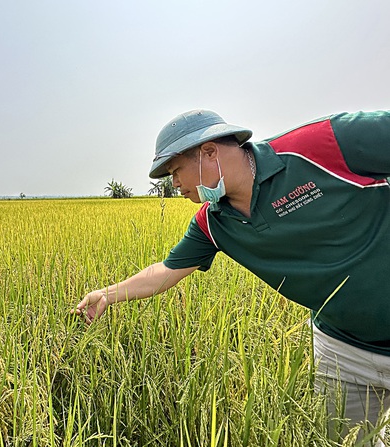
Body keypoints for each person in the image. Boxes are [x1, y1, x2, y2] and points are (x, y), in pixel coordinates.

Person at [74, 109, 390, 445]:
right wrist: (107, 294)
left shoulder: (323, 144)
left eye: (176, 171)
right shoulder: (213, 223)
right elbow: (165, 271)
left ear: (209, 152)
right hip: (341, 349)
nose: (174, 184)